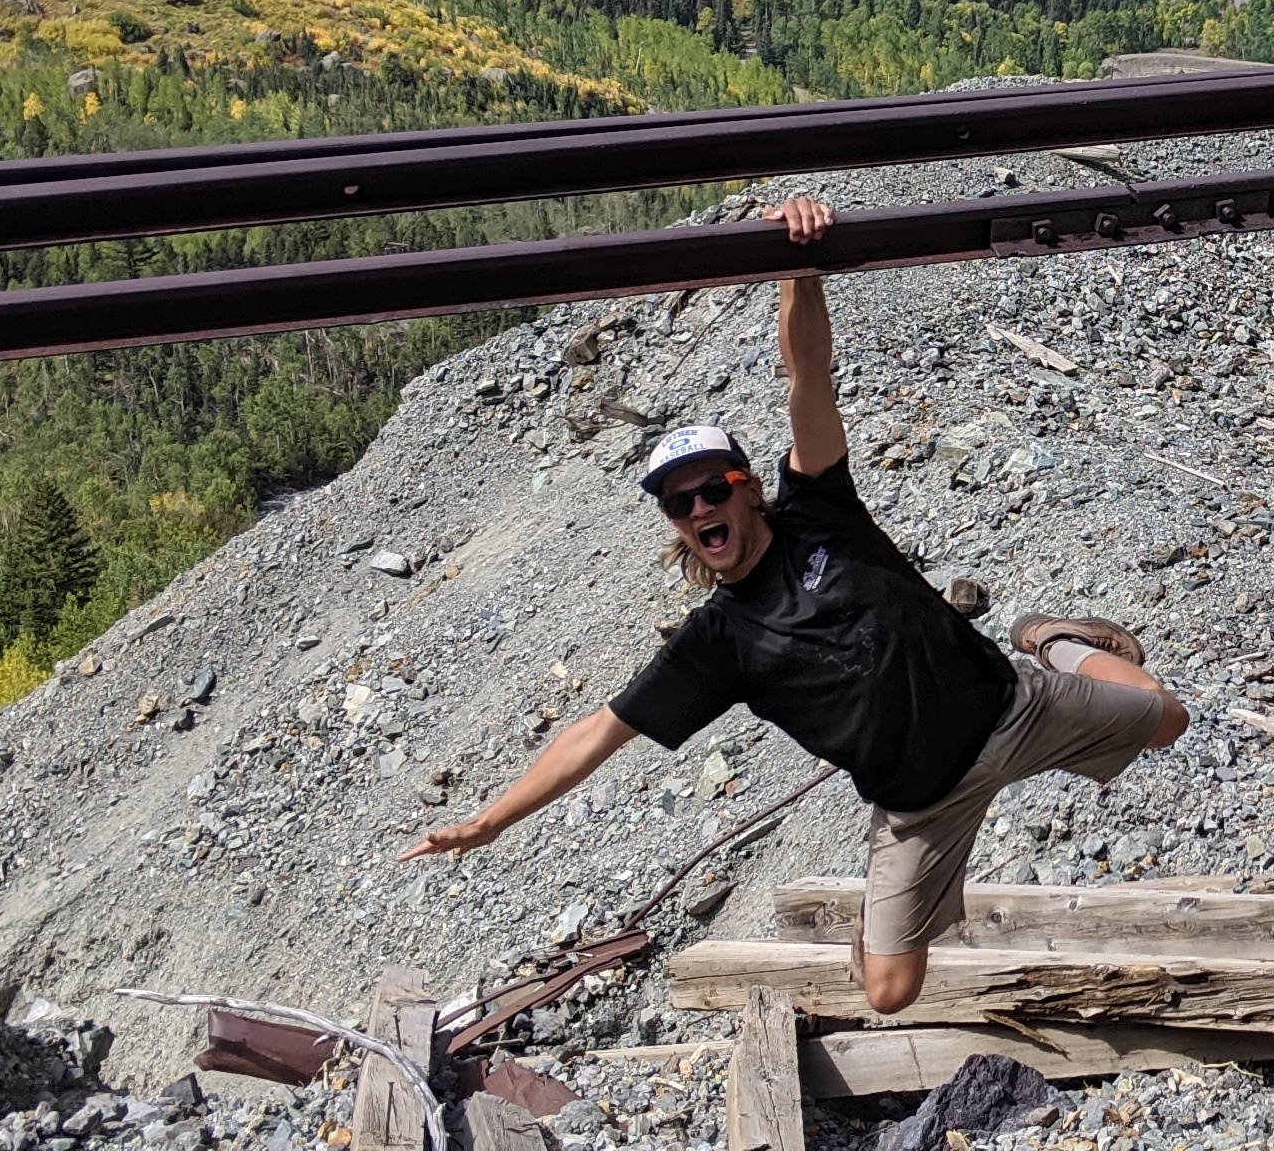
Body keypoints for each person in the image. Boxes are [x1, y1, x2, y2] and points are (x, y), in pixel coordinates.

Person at [404, 195, 1187, 1011]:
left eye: (713, 489)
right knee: (889, 990)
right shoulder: (718, 645)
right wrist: (493, 821)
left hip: (1015, 708)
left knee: (1169, 721)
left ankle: (1055, 642)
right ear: (675, 525)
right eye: (681, 504)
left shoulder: (820, 509)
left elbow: (806, 376)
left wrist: (797, 269)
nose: (701, 509)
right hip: (924, 804)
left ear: (746, 490)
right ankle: (884, 921)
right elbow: (598, 731)